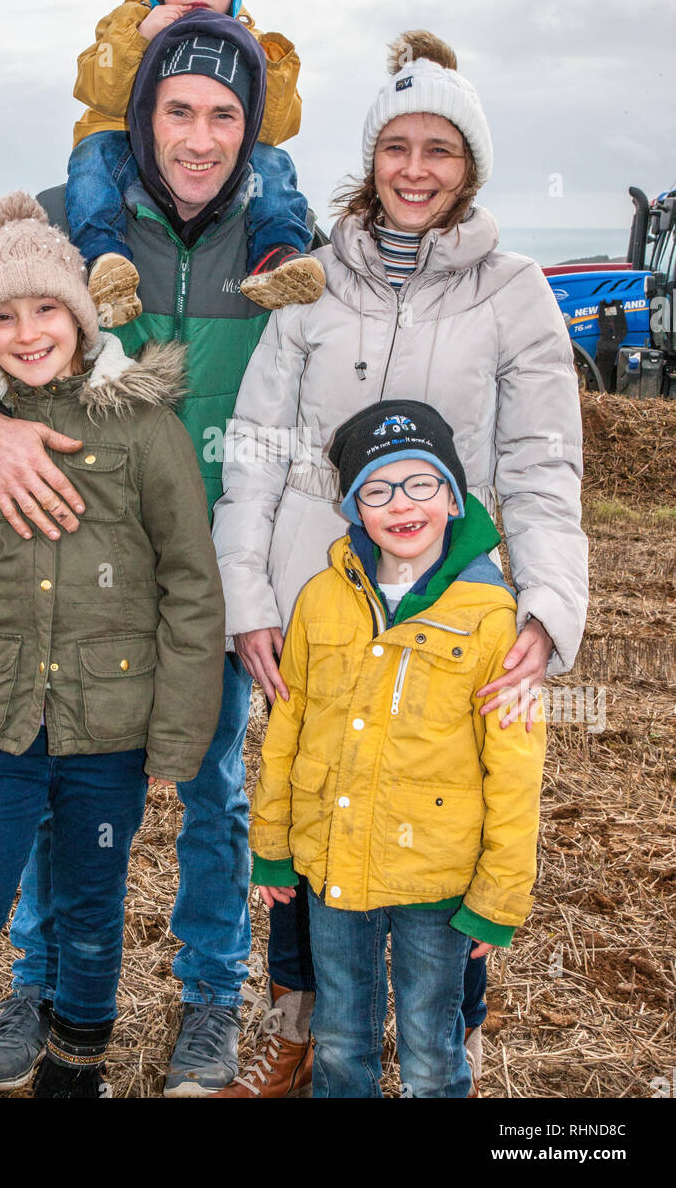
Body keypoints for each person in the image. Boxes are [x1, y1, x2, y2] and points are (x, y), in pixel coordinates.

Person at [0, 12, 288, 1096]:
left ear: (250, 127)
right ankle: (35, 988)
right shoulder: (74, 218)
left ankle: (212, 998)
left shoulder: (278, 235)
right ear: (142, 112)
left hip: (218, 564)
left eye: (224, 115)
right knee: (46, 770)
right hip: (76, 557)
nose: (200, 137)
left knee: (210, 786)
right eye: (178, 110)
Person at [210, 30, 588, 1097]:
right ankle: (306, 1037)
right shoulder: (308, 282)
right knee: (313, 801)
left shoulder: (513, 292)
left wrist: (546, 606)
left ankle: (441, 1050)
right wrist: (250, 595)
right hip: (310, 587)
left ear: (469, 167)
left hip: (449, 592)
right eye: (397, 146)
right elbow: (256, 449)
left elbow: (540, 462)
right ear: (369, 157)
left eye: (442, 149)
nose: (416, 168)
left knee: (441, 803)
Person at [0, 192, 224, 1099]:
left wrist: (177, 738)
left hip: (109, 729)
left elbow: (191, 583)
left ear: (80, 312)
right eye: (4, 318)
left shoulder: (145, 428)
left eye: (46, 309)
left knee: (90, 913)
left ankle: (75, 1074)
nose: (28, 333)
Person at [250, 400, 547, 1098]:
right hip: (334, 873)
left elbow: (515, 766)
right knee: (343, 1038)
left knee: (430, 1044)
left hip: (437, 886)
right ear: (354, 506)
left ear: (452, 495)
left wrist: (500, 895)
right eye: (377, 489)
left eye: (421, 483)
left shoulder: (493, 616)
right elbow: (286, 733)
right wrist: (272, 844)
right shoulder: (321, 599)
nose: (401, 504)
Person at [67, 0, 324, 319]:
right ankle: (102, 259)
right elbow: (96, 89)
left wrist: (269, 64)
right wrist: (139, 37)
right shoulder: (131, 19)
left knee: (274, 164)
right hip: (121, 142)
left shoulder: (247, 38)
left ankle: (276, 254)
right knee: (91, 160)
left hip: (230, 177)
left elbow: (277, 128)